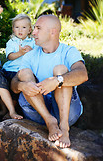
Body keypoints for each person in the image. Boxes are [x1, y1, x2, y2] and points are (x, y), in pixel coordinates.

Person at [11, 14, 88, 148]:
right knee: (24, 74)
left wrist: (57, 81)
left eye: (38, 28)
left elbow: (82, 74)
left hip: (66, 112)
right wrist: (23, 85)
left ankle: (64, 128)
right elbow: (14, 84)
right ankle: (50, 121)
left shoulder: (69, 51)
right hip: (38, 112)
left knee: (61, 70)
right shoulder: (30, 56)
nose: (33, 32)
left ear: (52, 31)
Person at [3, 13, 36, 87]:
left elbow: (37, 56)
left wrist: (32, 51)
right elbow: (9, 56)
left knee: (32, 81)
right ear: (13, 29)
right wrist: (20, 53)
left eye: (24, 27)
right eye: (17, 27)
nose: (20, 30)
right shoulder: (12, 42)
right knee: (9, 84)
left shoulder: (33, 42)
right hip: (12, 70)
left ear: (29, 30)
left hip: (28, 71)